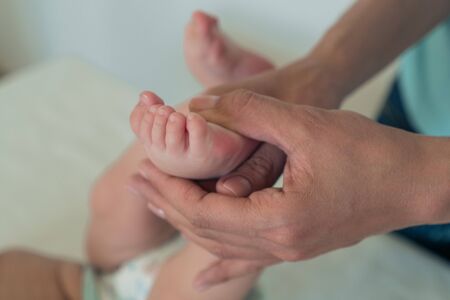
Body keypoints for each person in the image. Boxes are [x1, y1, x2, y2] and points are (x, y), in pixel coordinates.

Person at [128, 0, 450, 291]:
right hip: (425, 103)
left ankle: (215, 135)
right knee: (117, 209)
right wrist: (321, 73)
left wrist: (421, 178)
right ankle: (222, 131)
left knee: (181, 261)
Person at [0, 11, 274, 299]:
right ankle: (243, 143)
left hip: (95, 276)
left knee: (110, 196)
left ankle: (221, 106)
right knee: (189, 287)